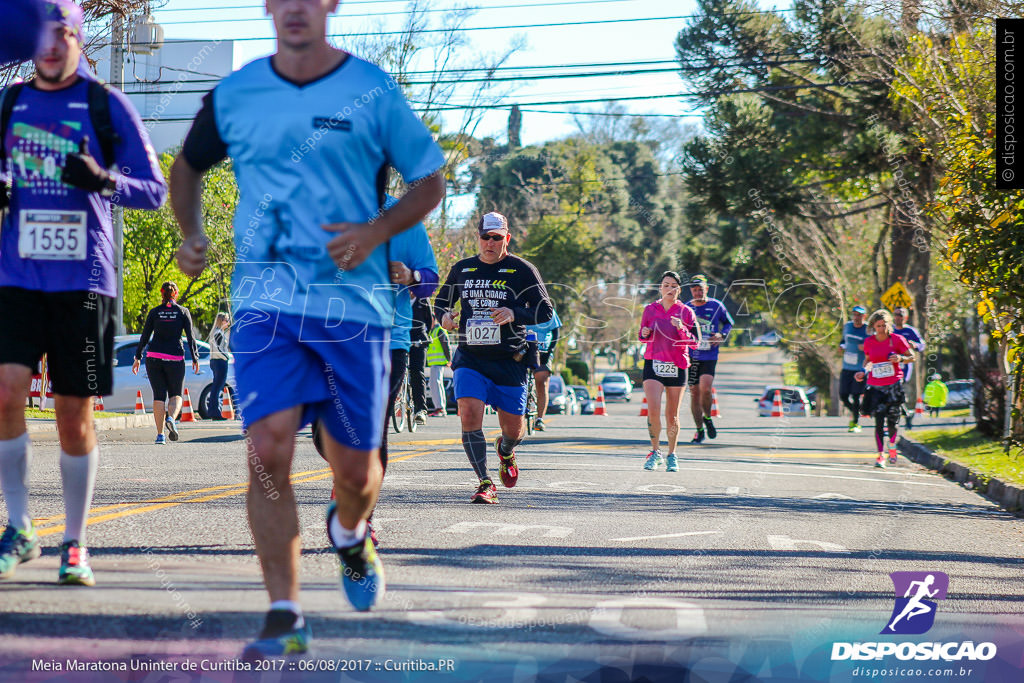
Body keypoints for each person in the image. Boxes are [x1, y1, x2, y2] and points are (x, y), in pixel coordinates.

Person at [170, 0, 445, 659]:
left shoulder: (371, 89)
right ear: (268, 6)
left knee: (355, 470)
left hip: (356, 311)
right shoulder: (236, 93)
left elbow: (429, 179)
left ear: (331, 5)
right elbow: (186, 168)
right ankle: (284, 611)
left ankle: (350, 532)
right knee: (267, 451)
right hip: (266, 306)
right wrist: (192, 232)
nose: (295, 6)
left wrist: (377, 232)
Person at [0, 0, 166, 587]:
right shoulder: (11, 101)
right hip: (17, 276)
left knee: (73, 414)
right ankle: (19, 527)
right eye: (40, 34)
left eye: (62, 33)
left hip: (84, 283)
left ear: (78, 38)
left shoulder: (105, 103)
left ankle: (75, 541)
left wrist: (103, 180)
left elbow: (155, 191)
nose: (50, 45)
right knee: (6, 391)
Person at [434, 211, 553, 505]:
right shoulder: (462, 269)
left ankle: (506, 450)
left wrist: (515, 313)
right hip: (470, 358)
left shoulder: (522, 270)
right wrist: (445, 317)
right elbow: (440, 303)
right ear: (478, 237)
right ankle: (485, 482)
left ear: (506, 239)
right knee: (468, 413)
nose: (490, 243)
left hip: (510, 360)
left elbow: (545, 311)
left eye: (496, 238)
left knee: (513, 430)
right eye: (485, 237)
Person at [638, 272, 699, 472]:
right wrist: (644, 334)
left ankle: (672, 455)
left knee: (672, 414)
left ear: (678, 290)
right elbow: (642, 335)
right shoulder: (650, 309)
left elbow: (695, 342)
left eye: (674, 286)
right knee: (653, 409)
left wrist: (681, 328)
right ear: (660, 288)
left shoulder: (686, 312)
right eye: (666, 285)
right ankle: (655, 452)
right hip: (653, 363)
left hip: (678, 364)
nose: (669, 289)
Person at [133, 282, 200, 444]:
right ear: (175, 294)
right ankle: (171, 418)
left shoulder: (155, 312)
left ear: (161, 294)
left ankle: (160, 435)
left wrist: (138, 357)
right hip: (175, 359)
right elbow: (190, 337)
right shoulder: (183, 312)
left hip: (154, 358)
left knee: (159, 396)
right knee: (176, 394)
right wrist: (195, 357)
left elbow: (145, 336)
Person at [855, 309, 915, 468]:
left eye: (884, 325)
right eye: (878, 326)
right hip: (876, 387)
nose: (881, 329)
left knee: (893, 422)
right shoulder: (869, 342)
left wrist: (901, 358)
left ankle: (893, 445)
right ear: (873, 327)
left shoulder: (897, 339)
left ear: (889, 325)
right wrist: (863, 371)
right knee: (879, 422)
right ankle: (881, 455)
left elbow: (912, 356)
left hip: (893, 386)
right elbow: (868, 361)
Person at [685, 274, 733, 444]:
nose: (698, 292)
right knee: (694, 392)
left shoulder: (716, 305)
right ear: (691, 291)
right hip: (692, 356)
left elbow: (729, 323)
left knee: (705, 388)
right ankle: (699, 430)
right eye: (695, 290)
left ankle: (708, 418)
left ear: (706, 289)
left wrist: (722, 334)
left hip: (709, 355)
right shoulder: (686, 308)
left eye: (701, 289)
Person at [526, 309, 562, 431]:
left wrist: (550, 350)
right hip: (524, 350)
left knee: (541, 381)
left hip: (543, 351)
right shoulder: (520, 306)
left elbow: (556, 333)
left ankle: (539, 419)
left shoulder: (548, 310)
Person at [892, 307, 925, 429]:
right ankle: (904, 415)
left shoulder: (911, 331)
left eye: (900, 315)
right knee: (894, 393)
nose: (898, 317)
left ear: (905, 317)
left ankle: (904, 416)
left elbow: (922, 345)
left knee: (897, 391)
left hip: (904, 367)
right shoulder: (889, 330)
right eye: (896, 315)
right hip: (890, 366)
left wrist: (915, 345)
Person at [839, 305, 869, 433]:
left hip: (859, 368)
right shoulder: (848, 326)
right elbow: (843, 340)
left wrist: (866, 347)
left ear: (864, 316)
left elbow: (874, 344)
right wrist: (841, 346)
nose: (857, 317)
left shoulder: (868, 329)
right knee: (843, 395)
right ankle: (858, 411)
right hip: (846, 366)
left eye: (859, 315)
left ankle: (855, 422)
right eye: (855, 314)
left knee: (856, 396)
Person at [408, 298, 432, 424]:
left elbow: (429, 321)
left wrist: (425, 338)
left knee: (417, 372)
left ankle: (420, 410)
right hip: (400, 337)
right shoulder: (397, 296)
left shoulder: (423, 300)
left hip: (419, 339)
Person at [425, 316, 452, 416]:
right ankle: (440, 408)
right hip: (434, 363)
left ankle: (440, 408)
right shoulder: (432, 331)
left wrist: (449, 359)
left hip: (439, 363)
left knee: (435, 384)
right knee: (436, 384)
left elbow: (446, 345)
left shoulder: (439, 330)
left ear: (433, 319)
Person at [206, 312, 231, 419]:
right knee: (217, 387)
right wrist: (227, 357)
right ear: (221, 321)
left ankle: (213, 411)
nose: (228, 322)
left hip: (215, 361)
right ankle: (214, 412)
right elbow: (219, 348)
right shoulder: (218, 333)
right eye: (226, 320)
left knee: (216, 387)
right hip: (219, 361)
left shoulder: (217, 332)